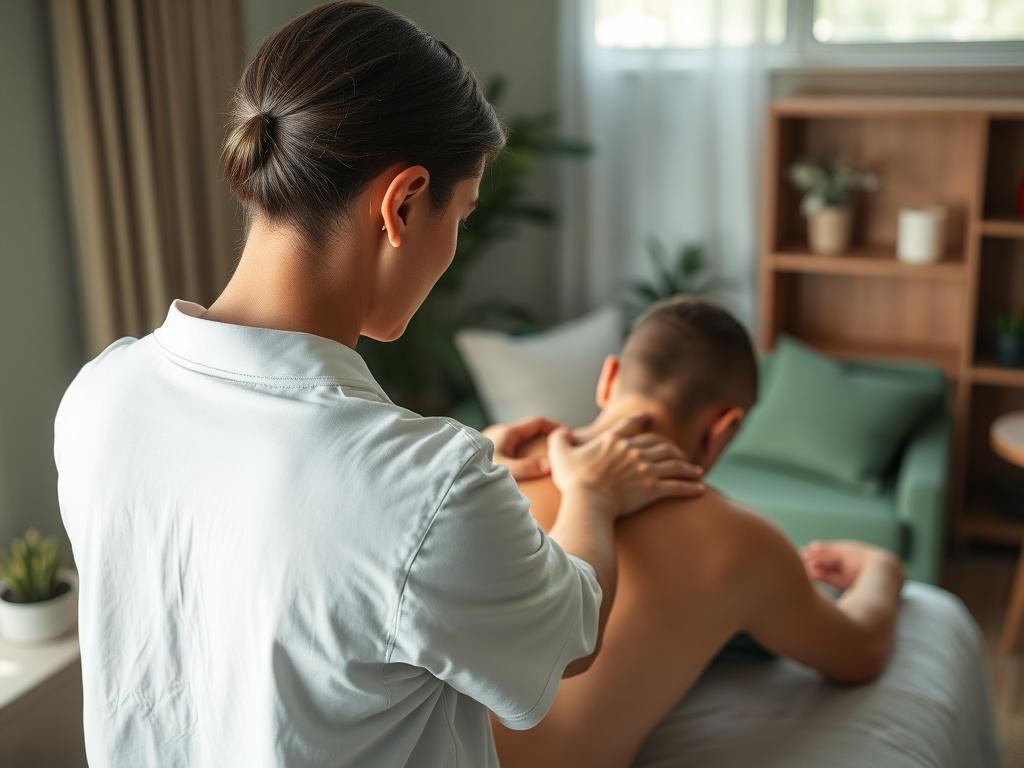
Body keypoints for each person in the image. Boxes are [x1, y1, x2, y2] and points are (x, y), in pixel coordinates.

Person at [52, 4, 705, 767]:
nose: (454, 247)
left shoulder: (103, 395)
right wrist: (591, 492)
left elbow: (256, 555)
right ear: (401, 204)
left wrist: (446, 490)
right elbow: (568, 637)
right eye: (460, 214)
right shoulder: (424, 486)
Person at [490, 297, 907, 768]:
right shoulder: (740, 541)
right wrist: (881, 568)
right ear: (722, 428)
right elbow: (860, 652)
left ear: (608, 379)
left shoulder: (496, 455)